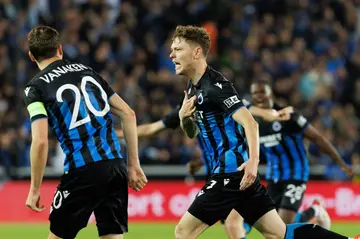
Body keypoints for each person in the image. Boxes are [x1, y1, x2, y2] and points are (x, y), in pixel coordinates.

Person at [170, 25, 359, 239]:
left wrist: (253, 161)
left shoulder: (216, 86)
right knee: (279, 234)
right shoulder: (194, 88)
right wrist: (184, 118)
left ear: (196, 52)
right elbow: (192, 133)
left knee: (183, 232)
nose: (171, 54)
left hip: (230, 172)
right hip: (236, 174)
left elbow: (251, 123)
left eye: (178, 49)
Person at [24, 26, 147, 239]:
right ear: (60, 50)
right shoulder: (88, 71)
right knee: (112, 235)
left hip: (82, 170)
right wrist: (133, 165)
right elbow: (129, 114)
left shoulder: (35, 88)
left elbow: (41, 141)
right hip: (115, 166)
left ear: (31, 56)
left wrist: (35, 188)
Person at [116, 96, 292, 239]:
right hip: (219, 173)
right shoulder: (185, 109)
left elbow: (249, 110)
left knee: (228, 225)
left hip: (232, 172)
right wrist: (118, 133)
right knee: (274, 232)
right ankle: (313, 227)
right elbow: (151, 129)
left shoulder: (216, 96)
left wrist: (273, 115)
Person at [248, 80, 354, 226]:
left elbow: (317, 138)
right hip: (274, 176)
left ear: (270, 93)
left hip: (295, 173)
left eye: (262, 92)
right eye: (255, 93)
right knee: (273, 227)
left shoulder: (289, 116)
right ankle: (314, 210)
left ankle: (315, 211)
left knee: (284, 224)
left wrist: (341, 162)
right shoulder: (252, 121)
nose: (258, 96)